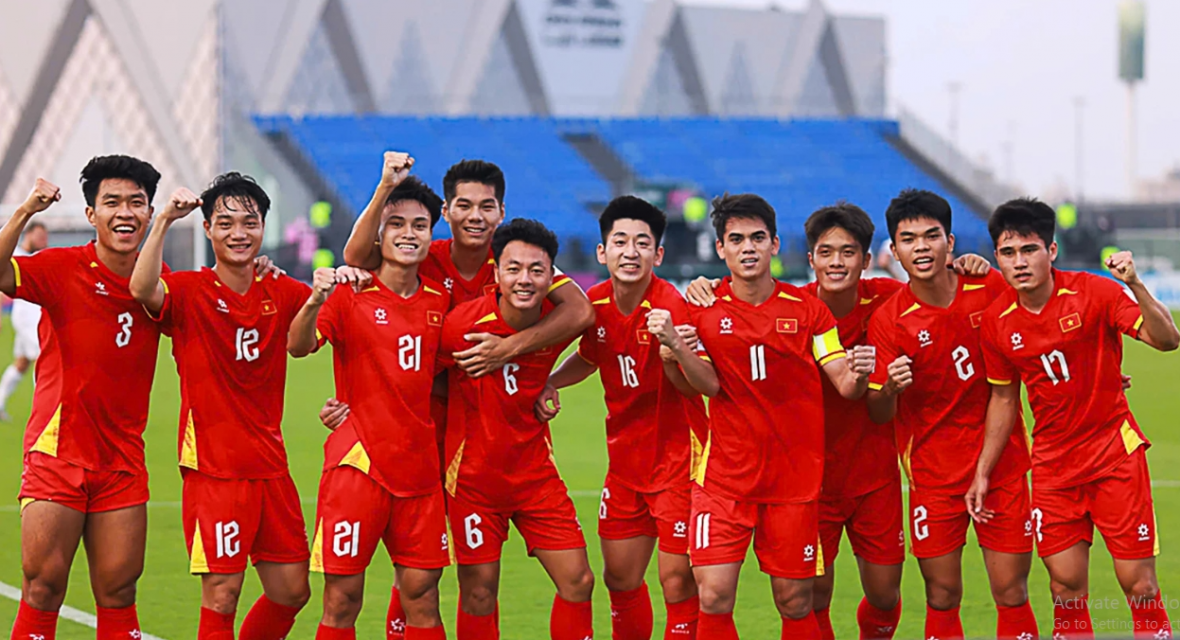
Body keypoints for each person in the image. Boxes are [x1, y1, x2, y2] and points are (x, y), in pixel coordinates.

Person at [334, 155, 593, 636]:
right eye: (464, 205)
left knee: (427, 559)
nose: (476, 215)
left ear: (501, 212)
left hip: (498, 426)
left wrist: (517, 358)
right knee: (419, 559)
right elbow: (355, 258)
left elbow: (579, 313)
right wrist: (353, 399)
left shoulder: (516, 259)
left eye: (487, 206)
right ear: (447, 212)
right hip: (424, 426)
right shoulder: (424, 255)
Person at [666, 193, 874, 639]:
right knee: (713, 595)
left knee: (795, 600)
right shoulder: (701, 308)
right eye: (736, 239)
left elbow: (841, 379)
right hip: (723, 480)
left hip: (793, 484)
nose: (748, 248)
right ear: (720, 248)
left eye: (758, 238)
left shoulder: (808, 311)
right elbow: (703, 385)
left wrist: (860, 376)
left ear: (775, 245)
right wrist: (675, 353)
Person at [971, 198, 1179, 638]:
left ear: (1052, 251)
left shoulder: (1095, 292)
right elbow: (1004, 401)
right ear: (997, 260)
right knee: (1065, 589)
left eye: (1029, 250)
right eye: (1008, 254)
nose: (1019, 262)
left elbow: (1168, 340)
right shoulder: (996, 322)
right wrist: (983, 472)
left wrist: (1136, 285)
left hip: (1113, 457)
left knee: (1139, 585)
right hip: (1053, 469)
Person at [129, 172, 312, 640]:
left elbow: (330, 332)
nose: (238, 233)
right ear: (208, 228)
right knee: (222, 594)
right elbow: (142, 288)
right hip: (214, 469)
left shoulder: (285, 291)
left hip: (271, 468)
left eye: (248, 223)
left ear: (263, 228)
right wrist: (165, 218)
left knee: (292, 590)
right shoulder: (189, 290)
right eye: (225, 223)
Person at [0, 157, 162, 640]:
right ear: (91, 215)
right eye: (111, 202)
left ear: (150, 212)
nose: (125, 212)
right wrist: (27, 208)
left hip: (122, 461)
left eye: (136, 202)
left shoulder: (157, 281)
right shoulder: (61, 267)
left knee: (118, 594)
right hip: (59, 454)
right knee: (44, 587)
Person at [865, 189, 1038, 640]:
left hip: (1002, 464)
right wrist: (891, 387)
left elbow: (1033, 338)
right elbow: (880, 412)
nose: (921, 247)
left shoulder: (991, 288)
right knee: (942, 595)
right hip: (933, 475)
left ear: (950, 242)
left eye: (931, 236)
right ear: (896, 250)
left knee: (1012, 590)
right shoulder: (889, 320)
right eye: (908, 239)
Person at [288, 169, 451, 640]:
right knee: (342, 600)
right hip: (357, 467)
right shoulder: (349, 294)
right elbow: (298, 346)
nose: (408, 234)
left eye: (419, 225)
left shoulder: (440, 302)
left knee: (422, 596)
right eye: (396, 224)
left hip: (419, 470)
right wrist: (316, 298)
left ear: (430, 235)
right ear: (378, 235)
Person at [535, 196, 706, 639]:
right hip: (626, 466)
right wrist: (551, 381)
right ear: (602, 252)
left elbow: (698, 387)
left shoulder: (673, 307)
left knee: (677, 582)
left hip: (679, 463)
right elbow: (589, 357)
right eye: (620, 241)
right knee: (621, 579)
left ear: (658, 254)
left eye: (642, 243)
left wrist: (674, 355)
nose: (631, 252)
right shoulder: (594, 305)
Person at [439, 218, 595, 640]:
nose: (524, 280)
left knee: (578, 581)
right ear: (495, 272)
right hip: (473, 481)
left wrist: (533, 370)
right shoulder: (460, 327)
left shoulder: (554, 320)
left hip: (534, 477)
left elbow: (583, 313)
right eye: (514, 269)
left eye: (536, 270)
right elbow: (419, 380)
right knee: (478, 594)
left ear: (552, 276)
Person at [0, 221, 49, 421]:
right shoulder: (15, 255)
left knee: (22, 363)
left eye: (44, 237)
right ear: (28, 235)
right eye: (39, 236)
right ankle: (47, 411)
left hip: (33, 316)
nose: (43, 241)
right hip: (26, 318)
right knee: (45, 361)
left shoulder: (38, 257)